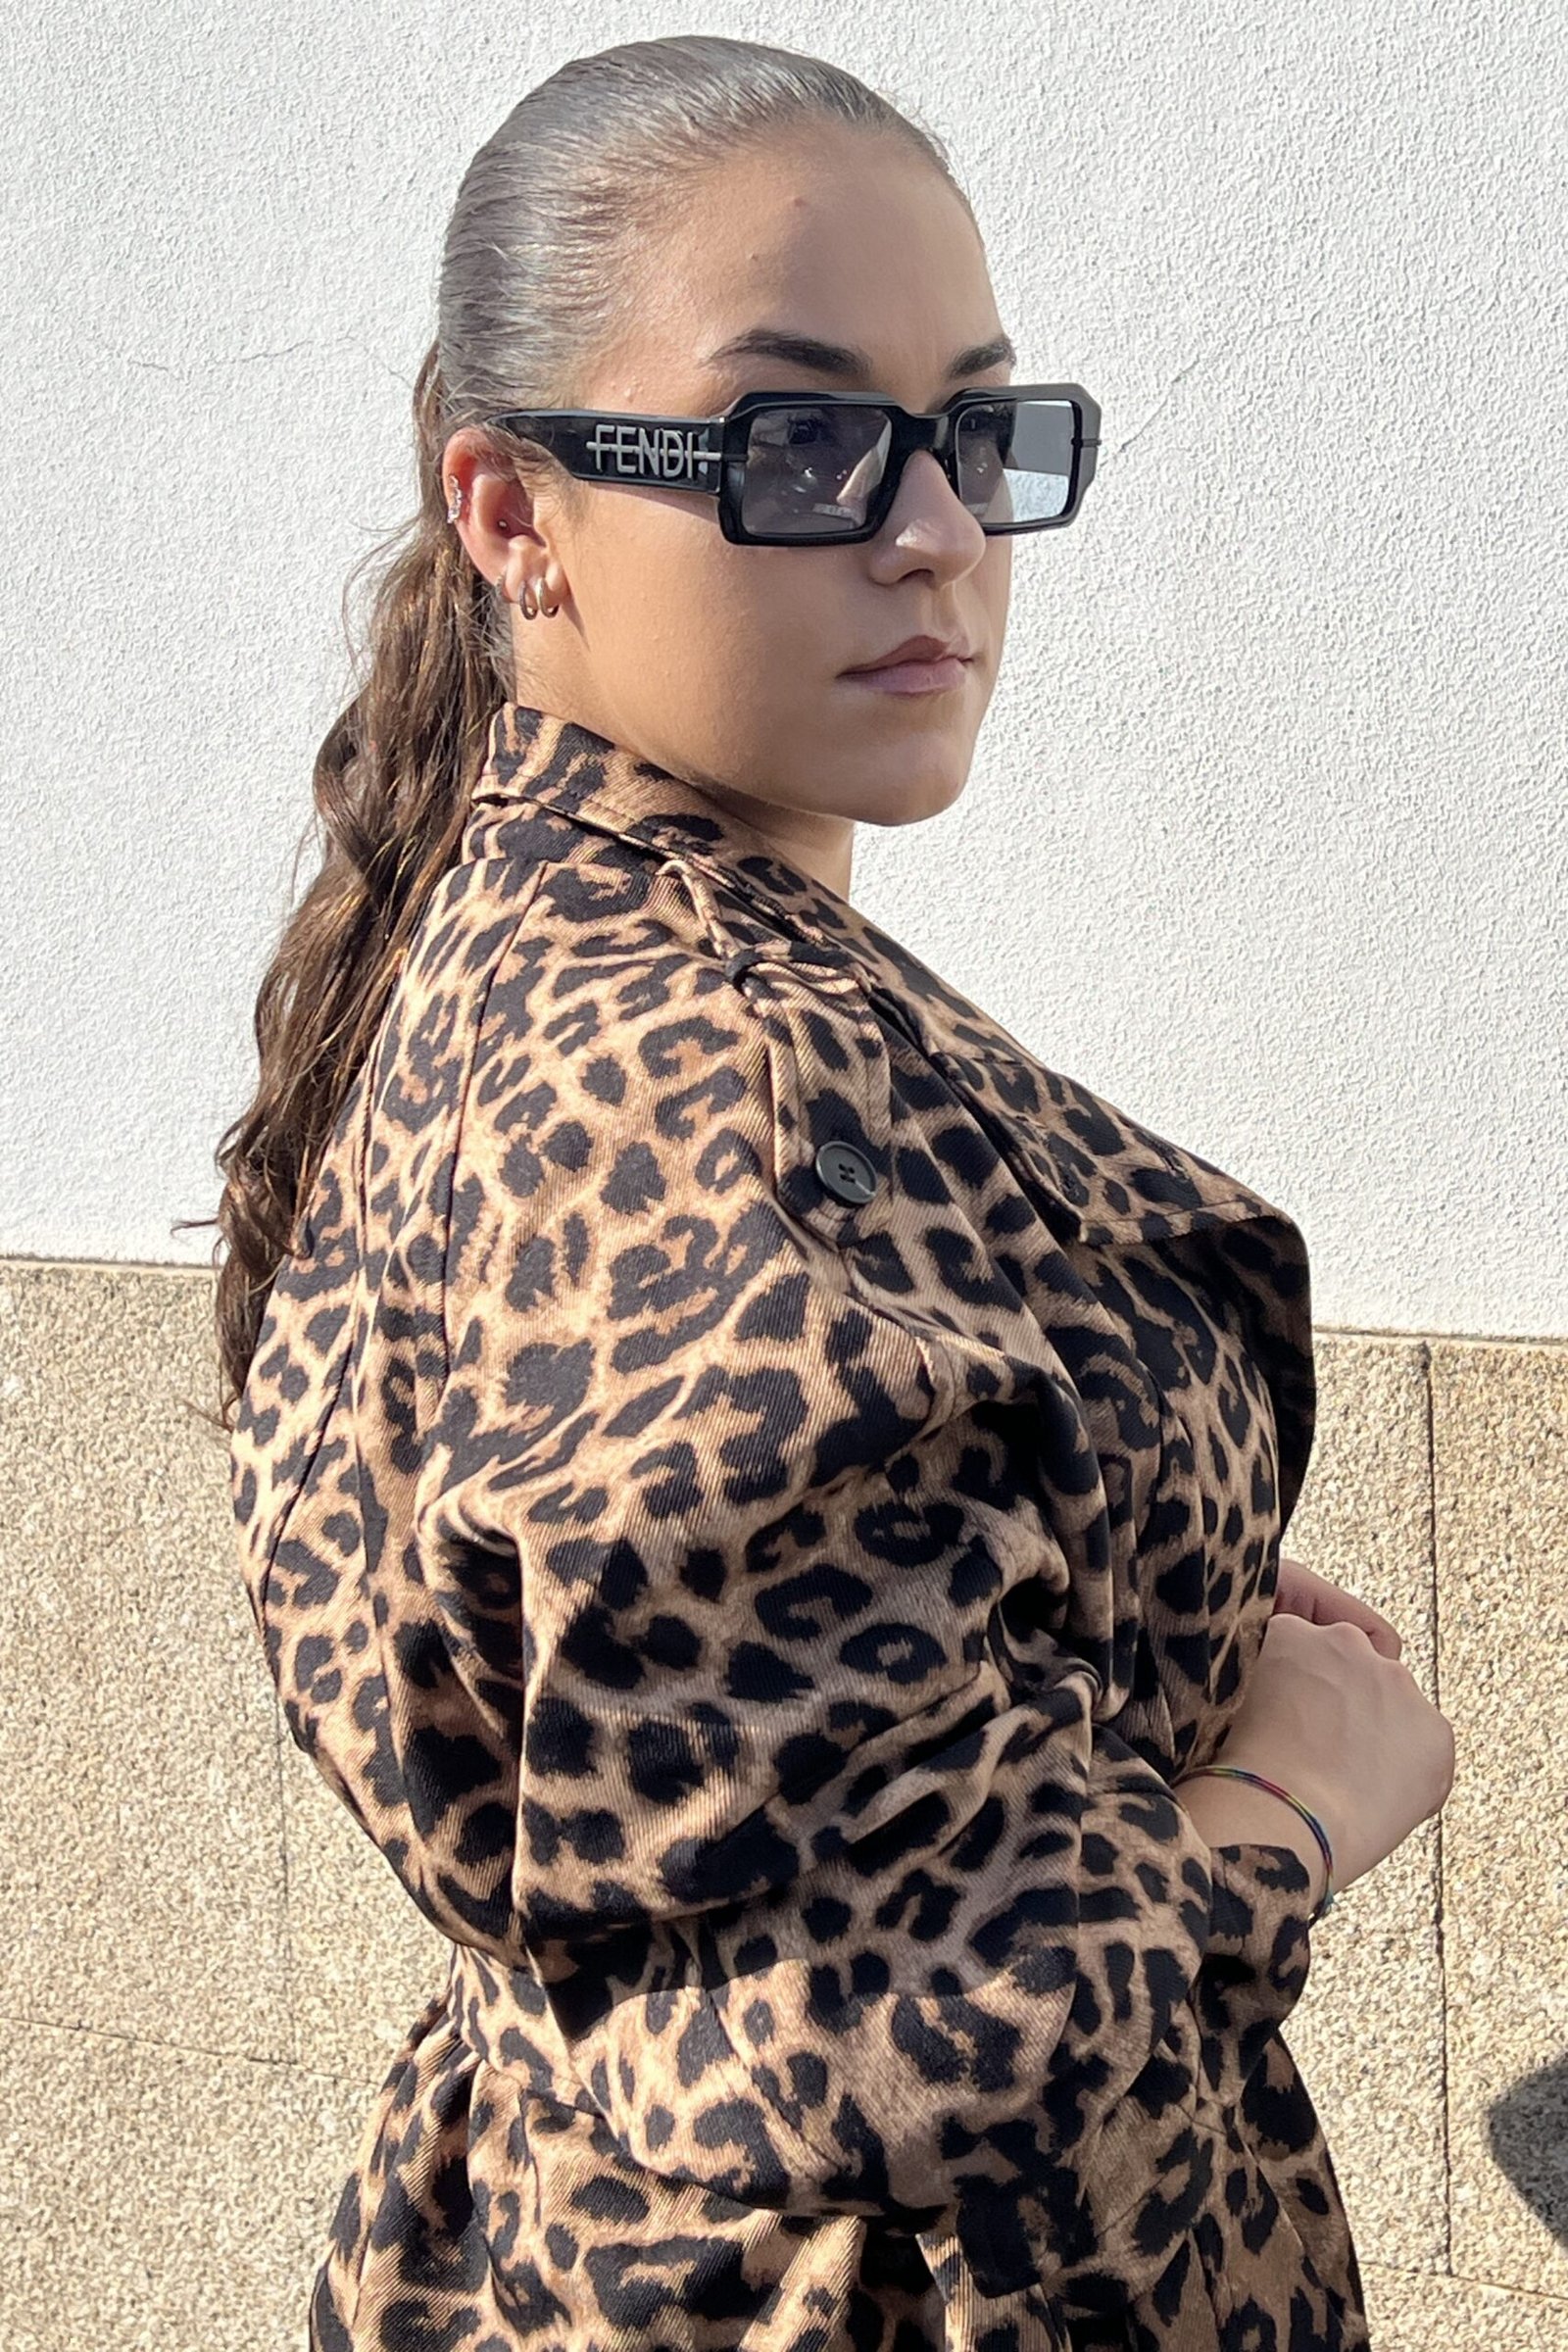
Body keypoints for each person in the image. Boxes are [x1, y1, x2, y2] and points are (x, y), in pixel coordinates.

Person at [213, 33, 1454, 2352]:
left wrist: (1124, 1590)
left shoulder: (563, 927)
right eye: (796, 443)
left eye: (976, 433)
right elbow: (872, 2015)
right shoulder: (703, 1075)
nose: (934, 531)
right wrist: (1303, 1796)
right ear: (513, 512)